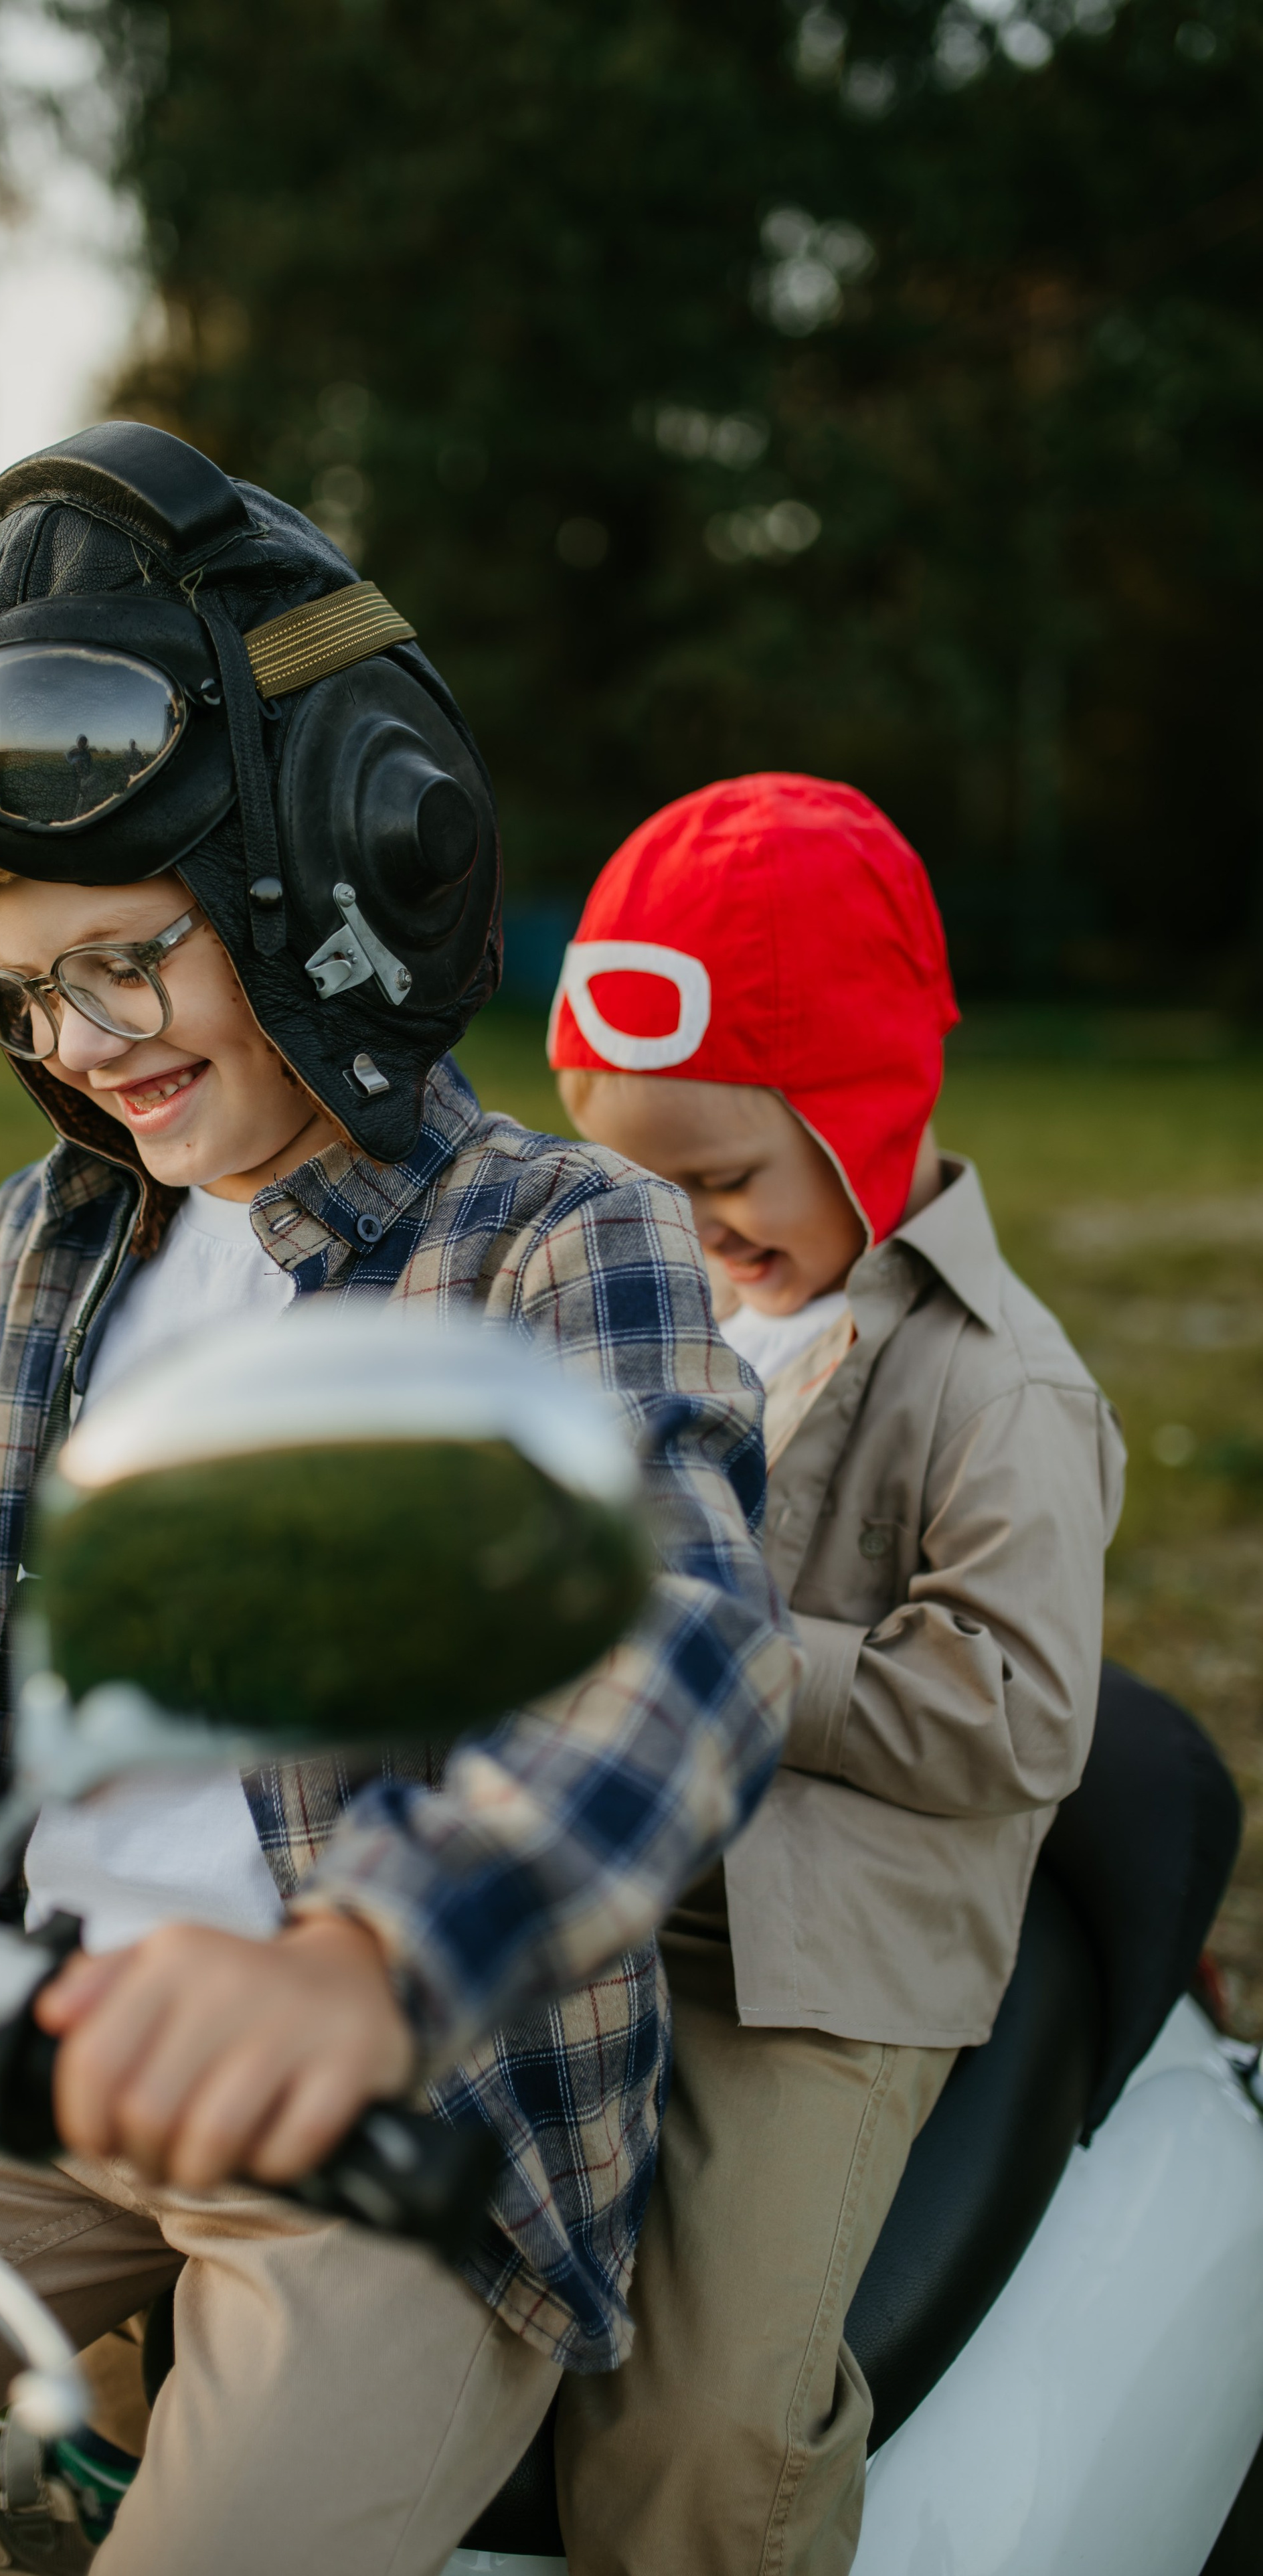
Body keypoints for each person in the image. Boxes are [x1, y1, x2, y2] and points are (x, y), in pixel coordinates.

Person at [0, 426, 799, 2576]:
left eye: (130, 956)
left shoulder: (552, 1239)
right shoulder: (70, 1230)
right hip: (38, 2075)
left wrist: (365, 1963)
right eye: (26, 985)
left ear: (339, 872)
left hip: (390, 2130)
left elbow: (680, 1650)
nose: (86, 1036)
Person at [548, 773, 1126, 2576]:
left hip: (811, 1962)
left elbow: (1019, 1717)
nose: (678, 1233)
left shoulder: (998, 1390)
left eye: (721, 1180)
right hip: (593, 1878)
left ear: (865, 1115)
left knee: (709, 2418)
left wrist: (706, 1649)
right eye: (628, 1183)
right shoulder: (645, 1298)